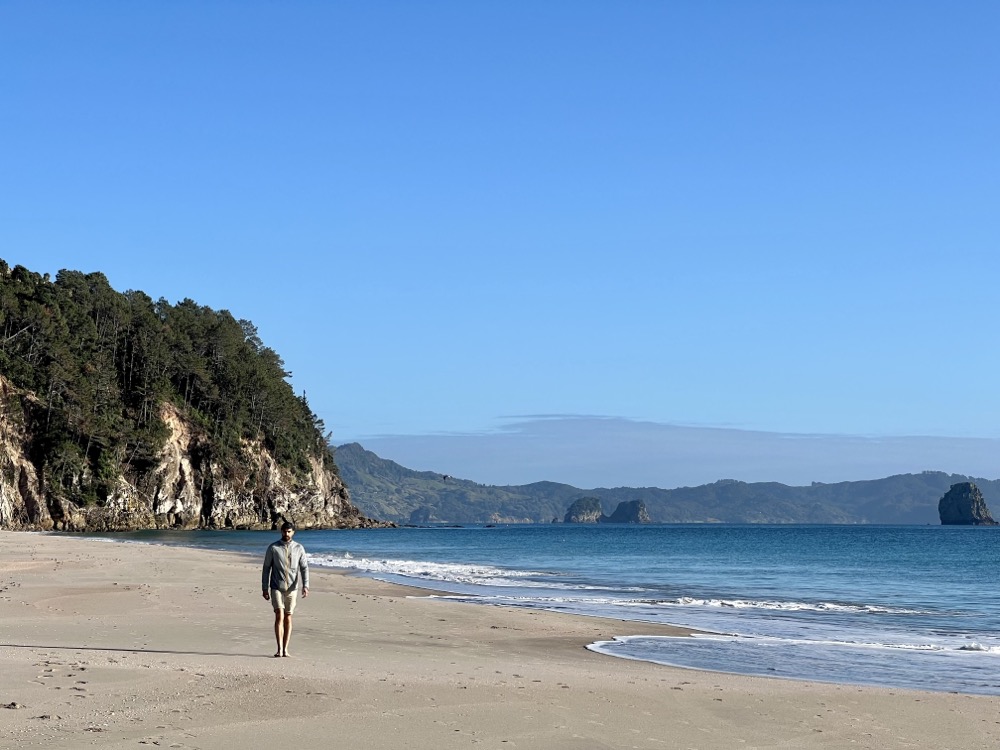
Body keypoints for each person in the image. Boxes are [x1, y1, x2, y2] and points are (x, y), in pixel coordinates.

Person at [261, 521, 309, 657]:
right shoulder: (273, 548)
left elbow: (304, 568)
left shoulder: (299, 548)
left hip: (292, 588)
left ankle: (286, 649)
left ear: (293, 532)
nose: (286, 534)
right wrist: (264, 587)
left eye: (289, 531)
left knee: (288, 616)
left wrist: (306, 585)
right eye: (284, 531)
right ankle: (279, 648)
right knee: (279, 615)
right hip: (276, 586)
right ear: (281, 531)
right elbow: (266, 568)